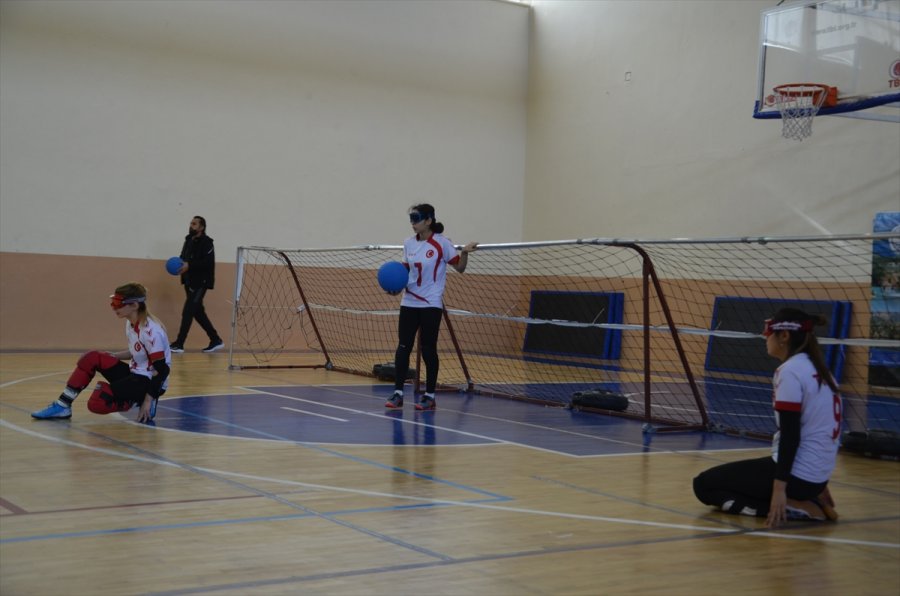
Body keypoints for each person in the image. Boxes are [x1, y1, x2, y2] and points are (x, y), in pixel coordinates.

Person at [692, 308, 842, 527]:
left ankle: (795, 506)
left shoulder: (790, 371)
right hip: (816, 476)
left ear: (784, 336)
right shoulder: (820, 370)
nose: (765, 337)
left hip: (797, 476)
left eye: (769, 332)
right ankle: (806, 496)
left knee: (704, 485)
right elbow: (823, 431)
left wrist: (779, 489)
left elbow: (791, 436)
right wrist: (819, 483)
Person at [32, 282, 171, 423]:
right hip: (136, 374)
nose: (114, 307)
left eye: (118, 303)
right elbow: (138, 351)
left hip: (151, 382)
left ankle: (138, 401)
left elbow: (162, 370)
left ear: (134, 305)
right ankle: (63, 405)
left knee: (97, 402)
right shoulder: (130, 322)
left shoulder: (152, 332)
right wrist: (113, 356)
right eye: (113, 301)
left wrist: (148, 400)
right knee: (91, 358)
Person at [384, 204, 477, 411]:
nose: (412, 223)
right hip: (409, 302)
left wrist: (465, 253)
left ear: (428, 220)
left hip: (430, 304)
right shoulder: (408, 243)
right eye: (411, 219)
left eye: (416, 218)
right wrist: (396, 288)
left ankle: (430, 395)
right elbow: (405, 272)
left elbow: (460, 268)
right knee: (403, 347)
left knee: (428, 349)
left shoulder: (442, 243)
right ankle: (398, 393)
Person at [169, 215, 224, 353]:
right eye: (190, 223)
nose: (191, 226)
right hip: (188, 280)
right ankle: (215, 339)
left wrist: (189, 265)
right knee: (198, 312)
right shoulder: (188, 240)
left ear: (201, 227)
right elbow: (183, 257)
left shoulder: (207, 243)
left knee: (188, 311)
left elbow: (208, 263)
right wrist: (179, 265)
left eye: (194, 224)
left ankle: (179, 344)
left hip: (201, 283)